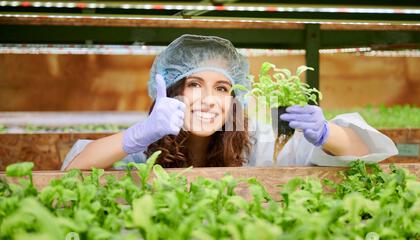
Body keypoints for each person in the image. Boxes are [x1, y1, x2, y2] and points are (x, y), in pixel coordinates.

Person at [61, 34, 397, 171]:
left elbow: (365, 152)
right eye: (194, 84)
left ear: (234, 101)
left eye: (222, 88)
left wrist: (327, 134)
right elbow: (72, 170)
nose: (209, 100)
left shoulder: (255, 147)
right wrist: (136, 135)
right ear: (171, 90)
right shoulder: (142, 149)